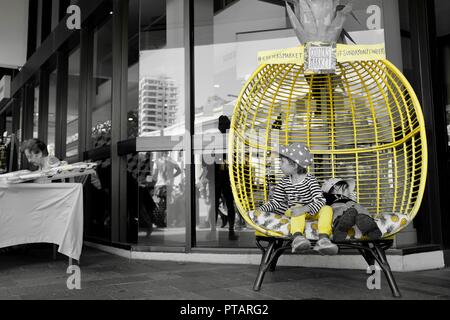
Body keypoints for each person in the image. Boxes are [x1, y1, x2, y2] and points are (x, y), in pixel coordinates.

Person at [255, 143, 338, 255]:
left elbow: (320, 200)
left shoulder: (310, 180)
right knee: (295, 208)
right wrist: (261, 209)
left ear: (294, 165)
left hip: (312, 211)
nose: (280, 165)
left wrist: (305, 208)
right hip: (295, 212)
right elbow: (276, 201)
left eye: (282, 162)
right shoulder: (284, 182)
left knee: (327, 208)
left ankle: (323, 239)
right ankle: (298, 238)